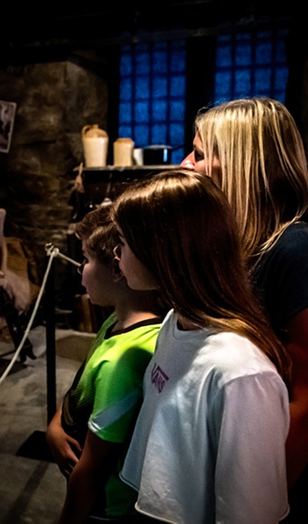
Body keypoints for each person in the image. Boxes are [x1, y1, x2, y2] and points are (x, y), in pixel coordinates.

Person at [113, 170, 291, 523]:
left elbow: (252, 514)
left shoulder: (241, 374)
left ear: (161, 251)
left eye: (124, 241)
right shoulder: (174, 323)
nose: (116, 254)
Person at [181, 97, 308, 521]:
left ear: (240, 164)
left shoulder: (293, 249)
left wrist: (263, 500)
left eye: (199, 154)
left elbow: (305, 397)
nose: (185, 164)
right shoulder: (236, 247)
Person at [46, 205, 164, 523]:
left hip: (105, 505)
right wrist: (56, 426)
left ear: (117, 267)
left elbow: (92, 471)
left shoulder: (124, 360)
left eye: (85, 259)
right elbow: (82, 383)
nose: (79, 269)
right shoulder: (117, 321)